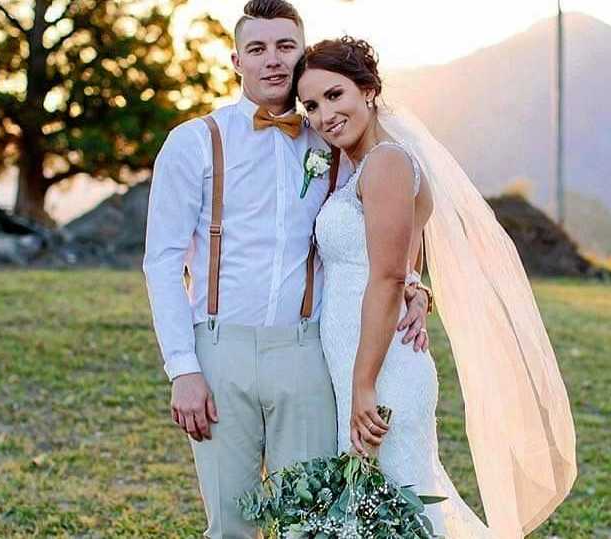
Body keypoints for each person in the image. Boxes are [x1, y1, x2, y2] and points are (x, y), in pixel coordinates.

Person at [141, 2, 431, 537]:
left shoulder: (333, 135)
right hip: (218, 351)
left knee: (312, 524)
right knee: (230, 524)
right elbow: (161, 263)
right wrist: (182, 368)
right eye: (257, 49)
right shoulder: (194, 142)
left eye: (284, 47)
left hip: (308, 355)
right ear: (236, 60)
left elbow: (392, 213)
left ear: (299, 54)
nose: (272, 61)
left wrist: (412, 284)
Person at [296, 36, 578, 537]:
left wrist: (364, 384)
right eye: (311, 105)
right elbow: (403, 254)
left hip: (379, 371)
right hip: (363, 362)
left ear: (367, 90)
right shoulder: (374, 163)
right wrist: (418, 289)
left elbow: (383, 278)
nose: (322, 115)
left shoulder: (384, 162)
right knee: (381, 513)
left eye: (334, 96)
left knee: (393, 512)